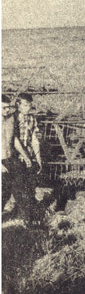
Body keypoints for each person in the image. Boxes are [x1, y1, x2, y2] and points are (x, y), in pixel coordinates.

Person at [12, 93, 42, 225]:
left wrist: (38, 159)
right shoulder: (11, 119)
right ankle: (23, 216)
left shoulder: (32, 119)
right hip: (15, 156)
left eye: (29, 105)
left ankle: (28, 215)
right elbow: (13, 140)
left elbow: (34, 140)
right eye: (25, 105)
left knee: (30, 186)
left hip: (29, 157)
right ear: (18, 105)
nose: (28, 107)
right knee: (19, 187)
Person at [2, 95, 15, 211]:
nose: (7, 110)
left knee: (6, 189)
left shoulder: (7, 121)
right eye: (4, 108)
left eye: (8, 107)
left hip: (6, 159)